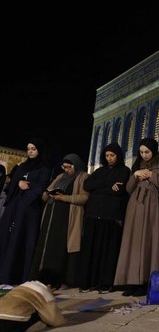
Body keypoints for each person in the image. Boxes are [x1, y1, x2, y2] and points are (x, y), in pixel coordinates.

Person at [115, 138, 159, 297]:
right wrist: (135, 175)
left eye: (147, 152)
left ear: (153, 151)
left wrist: (151, 175)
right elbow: (128, 188)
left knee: (149, 242)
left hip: (152, 206)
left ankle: (146, 282)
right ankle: (132, 281)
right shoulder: (137, 164)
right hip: (135, 206)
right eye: (141, 152)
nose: (144, 155)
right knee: (133, 243)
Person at [78, 142, 131, 294]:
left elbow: (119, 191)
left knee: (107, 251)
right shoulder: (100, 171)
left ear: (118, 156)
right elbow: (87, 185)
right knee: (91, 249)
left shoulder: (124, 171)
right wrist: (108, 184)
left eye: (112, 155)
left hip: (111, 217)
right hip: (93, 215)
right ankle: (88, 282)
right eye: (107, 155)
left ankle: (105, 283)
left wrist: (99, 187)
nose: (109, 158)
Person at [30, 153, 89, 289]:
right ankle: (44, 279)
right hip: (51, 215)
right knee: (47, 248)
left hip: (66, 218)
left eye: (69, 167)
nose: (66, 170)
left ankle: (59, 281)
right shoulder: (60, 177)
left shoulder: (82, 177)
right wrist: (48, 193)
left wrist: (65, 198)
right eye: (64, 167)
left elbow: (84, 197)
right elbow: (45, 195)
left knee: (60, 250)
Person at [0, 139, 53, 285]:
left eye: (33, 148)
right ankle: (5, 274)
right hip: (15, 208)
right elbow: (13, 184)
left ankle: (21, 275)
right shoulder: (22, 167)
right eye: (28, 148)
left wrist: (28, 189)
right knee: (9, 239)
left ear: (39, 150)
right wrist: (18, 183)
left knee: (24, 239)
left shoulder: (45, 167)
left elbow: (42, 186)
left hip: (30, 209)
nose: (30, 151)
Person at [0, 267, 66, 331]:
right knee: (41, 315)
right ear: (49, 286)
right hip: (12, 323)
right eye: (53, 291)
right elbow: (55, 320)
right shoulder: (44, 292)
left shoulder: (21, 286)